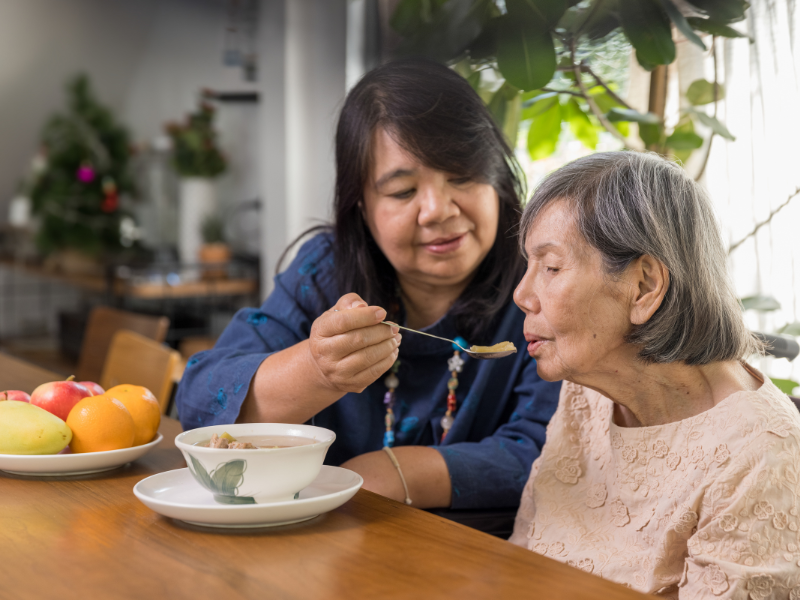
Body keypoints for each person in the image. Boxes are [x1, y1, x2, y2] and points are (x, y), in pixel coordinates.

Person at [175, 59, 561, 510]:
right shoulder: (325, 271)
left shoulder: (544, 284)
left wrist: (393, 473)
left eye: (462, 175)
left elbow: (550, 448)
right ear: (360, 205)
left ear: (497, 178)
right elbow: (201, 404)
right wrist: (316, 370)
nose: (437, 209)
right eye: (402, 192)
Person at [509, 151, 800, 597]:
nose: (521, 294)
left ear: (644, 286)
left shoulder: (760, 453)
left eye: (550, 267)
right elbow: (522, 558)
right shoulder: (587, 394)